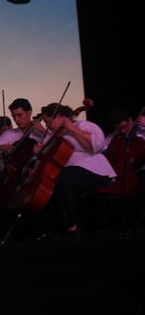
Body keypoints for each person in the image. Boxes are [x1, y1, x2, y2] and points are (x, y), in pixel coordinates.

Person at [33, 103, 117, 241]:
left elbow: (96, 146)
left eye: (49, 122)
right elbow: (47, 160)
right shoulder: (54, 136)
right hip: (69, 174)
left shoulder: (84, 125)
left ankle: (74, 224)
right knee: (49, 185)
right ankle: (53, 230)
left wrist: (72, 129)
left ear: (60, 117)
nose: (48, 127)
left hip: (94, 171)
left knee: (65, 179)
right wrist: (38, 152)